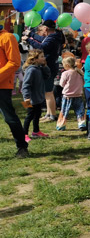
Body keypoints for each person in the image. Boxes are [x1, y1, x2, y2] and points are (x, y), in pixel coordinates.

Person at [24, 21, 65, 122]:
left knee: (48, 92)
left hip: (49, 67)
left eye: (42, 27)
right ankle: (48, 114)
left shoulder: (52, 38)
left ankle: (52, 115)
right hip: (51, 65)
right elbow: (42, 40)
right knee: (47, 92)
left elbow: (42, 47)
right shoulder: (54, 36)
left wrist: (28, 40)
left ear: (46, 29)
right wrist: (31, 34)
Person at [0, 19, 28, 158]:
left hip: (2, 85)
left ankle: (22, 147)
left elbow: (14, 62)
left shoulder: (7, 37)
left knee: (9, 117)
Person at [21, 49, 51, 141]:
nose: (44, 58)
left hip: (38, 98)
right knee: (29, 115)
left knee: (37, 114)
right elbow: (25, 85)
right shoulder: (31, 70)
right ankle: (24, 134)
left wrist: (45, 66)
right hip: (29, 99)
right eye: (41, 56)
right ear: (35, 59)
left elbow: (47, 76)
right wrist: (26, 97)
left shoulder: (39, 68)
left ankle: (36, 131)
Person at [57, 55, 86, 131]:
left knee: (64, 111)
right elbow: (83, 82)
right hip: (78, 94)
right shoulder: (80, 72)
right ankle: (82, 124)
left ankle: (61, 125)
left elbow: (61, 84)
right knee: (80, 110)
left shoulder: (65, 73)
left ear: (67, 65)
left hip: (68, 95)